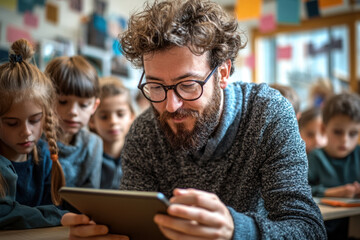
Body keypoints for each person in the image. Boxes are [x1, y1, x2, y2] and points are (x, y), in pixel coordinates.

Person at [61, 0, 326, 239]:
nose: (170, 105)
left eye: (187, 85)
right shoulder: (144, 132)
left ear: (222, 73)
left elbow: (308, 229)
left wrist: (237, 231)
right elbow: (137, 227)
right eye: (155, 86)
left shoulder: (268, 114)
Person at [0, 39, 67, 229]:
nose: (26, 132)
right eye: (12, 123)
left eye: (35, 120)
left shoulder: (44, 157)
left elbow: (52, 207)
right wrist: (57, 217)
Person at [45, 55, 103, 188]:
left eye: (83, 105)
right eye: (63, 102)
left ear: (94, 106)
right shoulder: (34, 141)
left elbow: (90, 196)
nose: (73, 111)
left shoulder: (94, 144)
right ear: (46, 99)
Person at [308, 92, 360, 239]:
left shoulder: (358, 154)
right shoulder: (315, 157)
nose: (345, 140)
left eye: (353, 133)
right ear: (324, 129)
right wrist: (333, 192)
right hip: (324, 229)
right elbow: (301, 189)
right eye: (338, 132)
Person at [89, 76, 136, 189]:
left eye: (120, 114)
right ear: (91, 120)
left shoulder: (140, 156)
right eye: (104, 117)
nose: (113, 121)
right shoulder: (87, 156)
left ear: (132, 117)